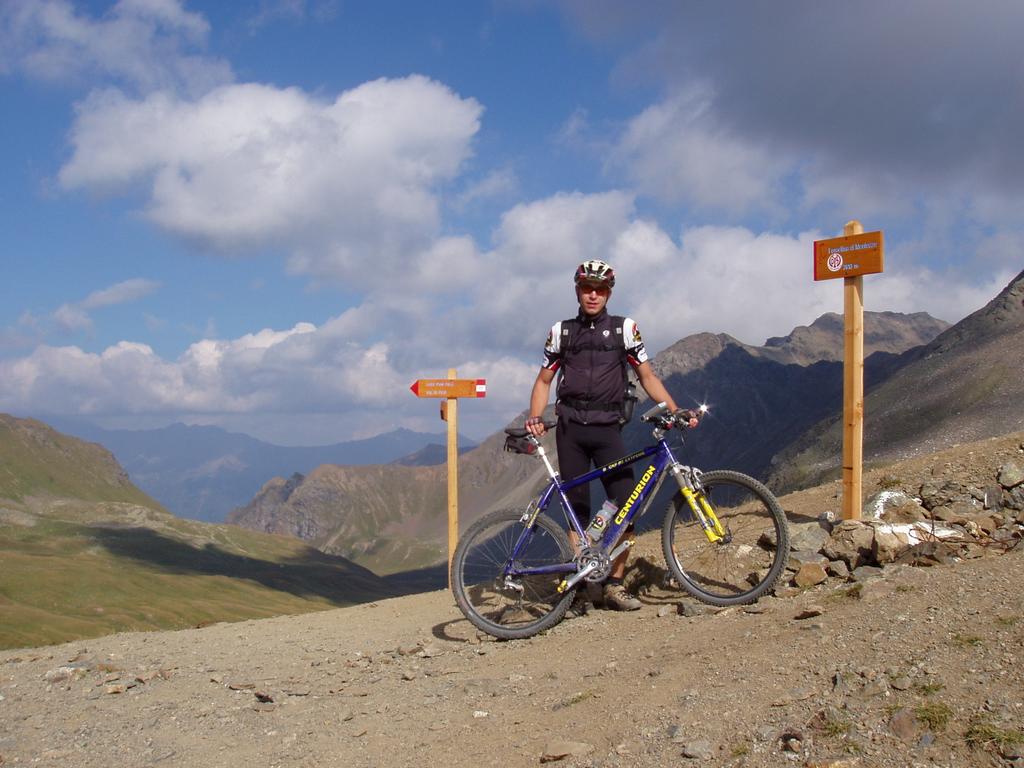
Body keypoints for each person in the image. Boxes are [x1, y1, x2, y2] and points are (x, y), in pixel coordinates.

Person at [525, 259, 698, 611]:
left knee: (626, 504)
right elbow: (544, 381)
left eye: (600, 289)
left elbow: (647, 376)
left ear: (608, 293)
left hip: (608, 430)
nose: (593, 295)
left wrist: (674, 408)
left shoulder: (625, 330)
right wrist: (535, 416)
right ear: (577, 290)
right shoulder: (562, 332)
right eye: (587, 288)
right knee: (578, 509)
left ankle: (615, 585)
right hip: (570, 430)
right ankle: (579, 585)